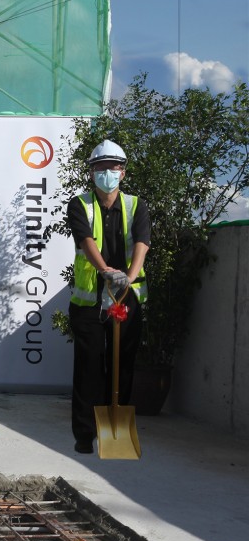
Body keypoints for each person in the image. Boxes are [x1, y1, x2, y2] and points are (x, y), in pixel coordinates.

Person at [67, 139, 150, 454]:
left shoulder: (136, 206)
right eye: (100, 167)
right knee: (88, 365)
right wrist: (106, 271)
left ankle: (114, 428)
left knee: (123, 363)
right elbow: (85, 240)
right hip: (90, 301)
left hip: (127, 298)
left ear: (123, 173)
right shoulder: (80, 204)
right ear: (91, 173)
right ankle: (85, 434)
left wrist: (128, 277)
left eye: (113, 167)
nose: (107, 173)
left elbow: (142, 242)